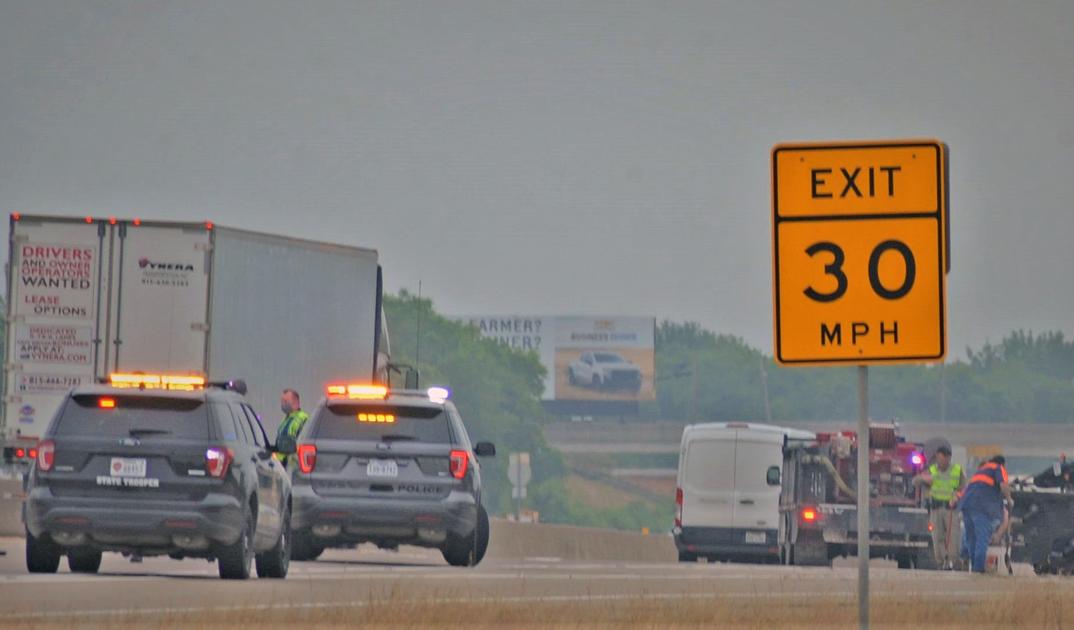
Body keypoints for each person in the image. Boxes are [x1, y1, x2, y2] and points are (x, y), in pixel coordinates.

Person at [954, 455, 1013, 574]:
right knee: (982, 539)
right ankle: (978, 569)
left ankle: (973, 565)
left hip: (966, 505)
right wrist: (1009, 498)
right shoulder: (998, 468)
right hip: (982, 507)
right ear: (1002, 464)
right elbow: (1003, 486)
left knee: (971, 539)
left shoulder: (980, 471)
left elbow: (967, 489)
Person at [914, 445, 965, 569]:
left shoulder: (957, 470)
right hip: (935, 509)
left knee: (953, 538)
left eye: (942, 459)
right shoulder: (932, 470)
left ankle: (953, 561)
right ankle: (942, 562)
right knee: (937, 537)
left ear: (948, 458)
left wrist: (957, 496)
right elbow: (915, 481)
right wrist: (923, 478)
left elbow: (963, 488)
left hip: (950, 509)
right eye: (938, 459)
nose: (939, 462)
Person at [275, 388, 309, 468]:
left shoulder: (302, 418)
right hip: (282, 464)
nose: (283, 404)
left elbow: (302, 441)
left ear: (296, 402)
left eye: (286, 401)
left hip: (293, 465)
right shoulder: (287, 419)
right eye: (282, 402)